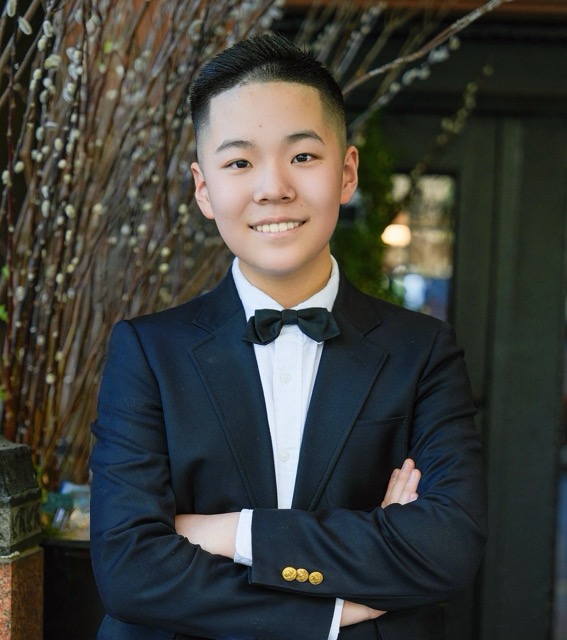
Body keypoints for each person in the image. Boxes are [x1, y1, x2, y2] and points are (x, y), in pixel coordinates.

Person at [89, 33, 487, 640]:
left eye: (302, 156)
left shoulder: (423, 351)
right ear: (203, 189)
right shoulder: (147, 352)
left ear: (346, 173)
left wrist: (227, 532)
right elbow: (128, 570)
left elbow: (447, 547)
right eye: (239, 163)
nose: (273, 187)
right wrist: (327, 606)